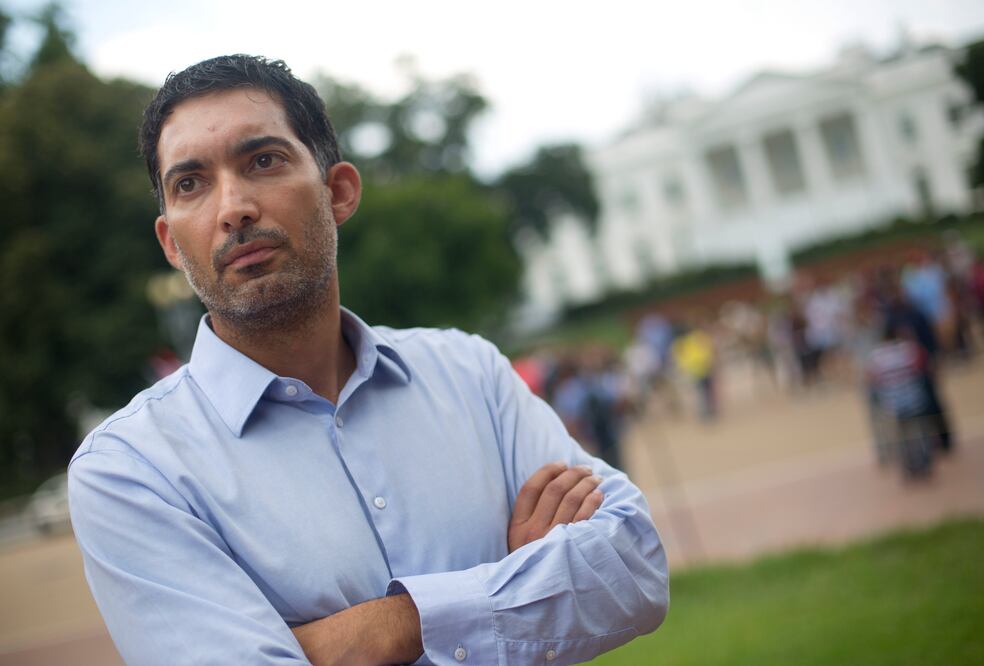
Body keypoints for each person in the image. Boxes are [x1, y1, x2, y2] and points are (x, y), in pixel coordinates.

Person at [66, 55, 668, 666]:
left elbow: (634, 566)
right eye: (190, 184)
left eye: (263, 161)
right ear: (171, 242)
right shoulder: (132, 472)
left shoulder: (471, 374)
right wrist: (519, 587)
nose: (233, 208)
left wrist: (376, 632)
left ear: (339, 192)